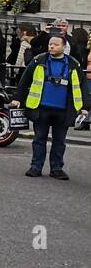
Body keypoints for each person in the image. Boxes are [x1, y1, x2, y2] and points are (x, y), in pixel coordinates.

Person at [13, 33, 87, 180]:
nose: (51, 46)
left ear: (64, 47)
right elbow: (24, 80)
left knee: (59, 142)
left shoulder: (73, 64)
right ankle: (36, 167)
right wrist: (17, 99)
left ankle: (57, 168)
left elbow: (82, 86)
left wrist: (85, 106)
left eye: (56, 44)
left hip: (63, 110)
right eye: (50, 44)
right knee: (39, 139)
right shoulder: (39, 60)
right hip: (41, 108)